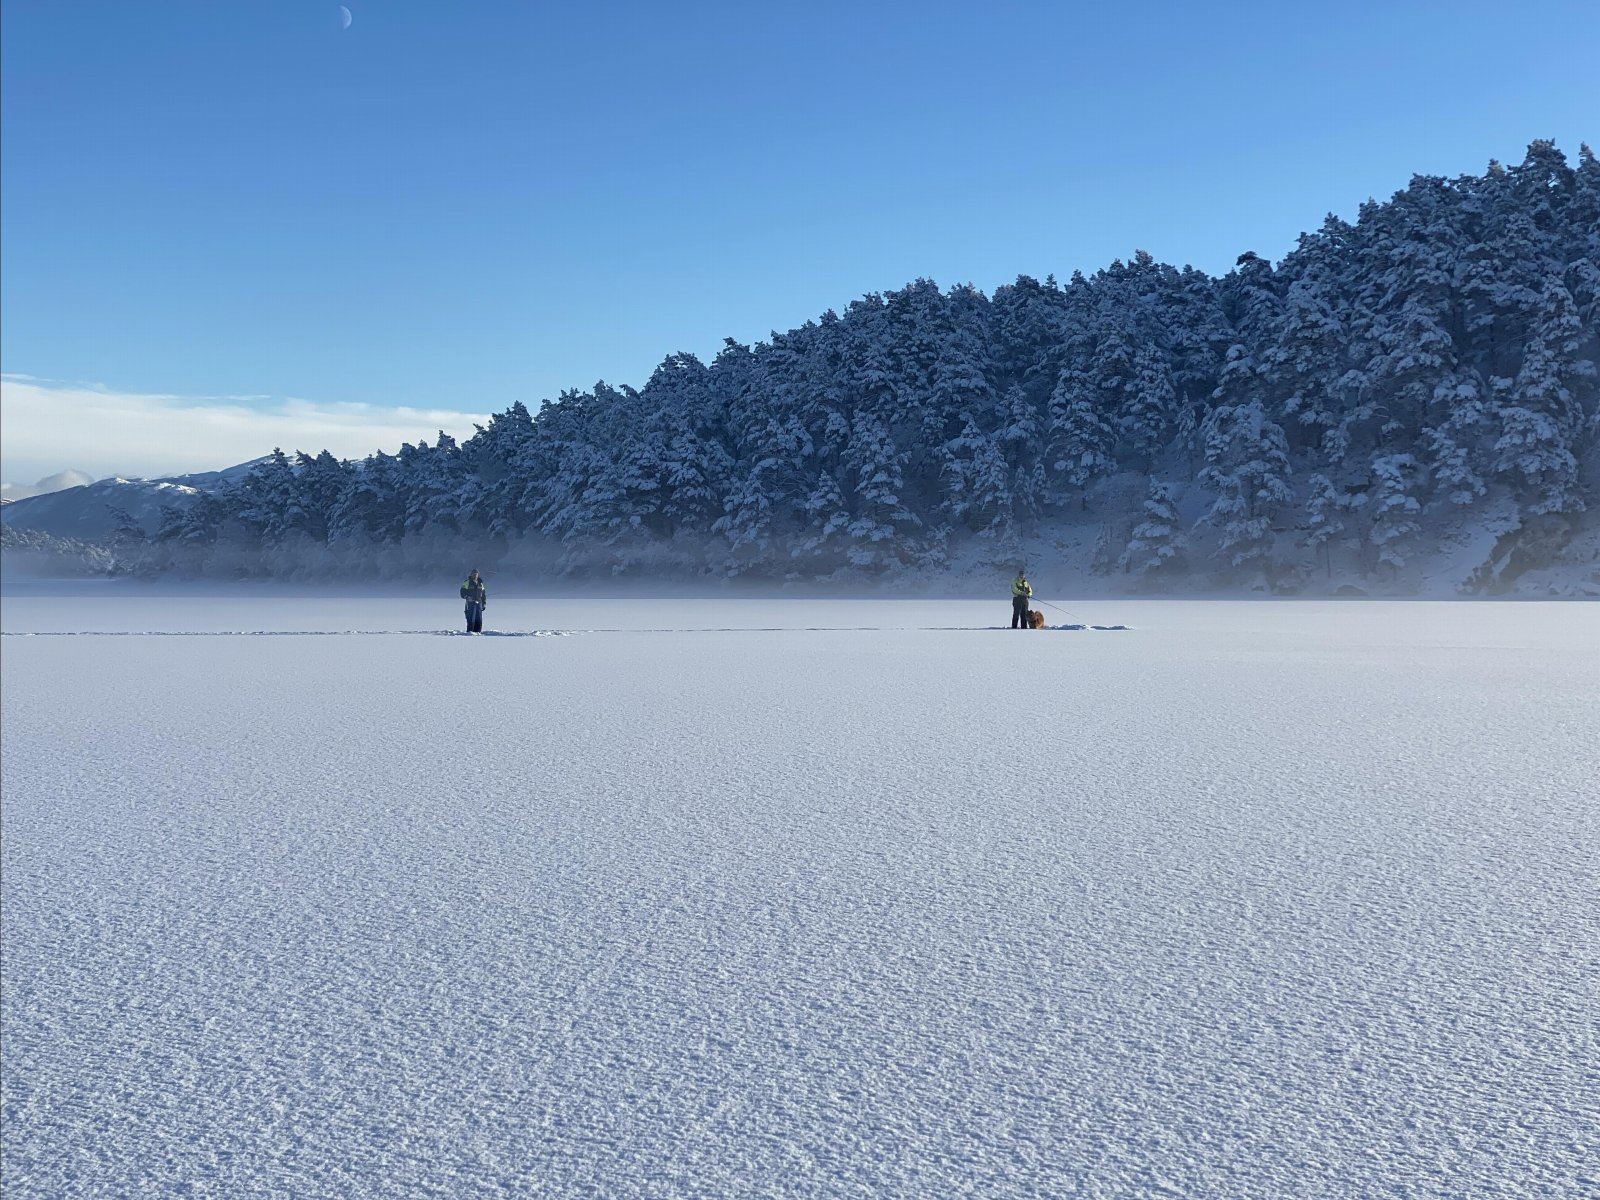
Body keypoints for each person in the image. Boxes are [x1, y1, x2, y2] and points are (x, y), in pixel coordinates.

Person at [460, 569, 487, 633]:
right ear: (471, 574)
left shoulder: (480, 583)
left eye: (476, 574)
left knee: (479, 618)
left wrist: (484, 604)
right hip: (470, 603)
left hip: (479, 603)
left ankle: (478, 632)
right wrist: (467, 597)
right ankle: (470, 632)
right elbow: (462, 593)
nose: (475, 575)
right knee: (470, 617)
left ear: (478, 575)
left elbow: (483, 595)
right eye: (474, 574)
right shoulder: (467, 582)